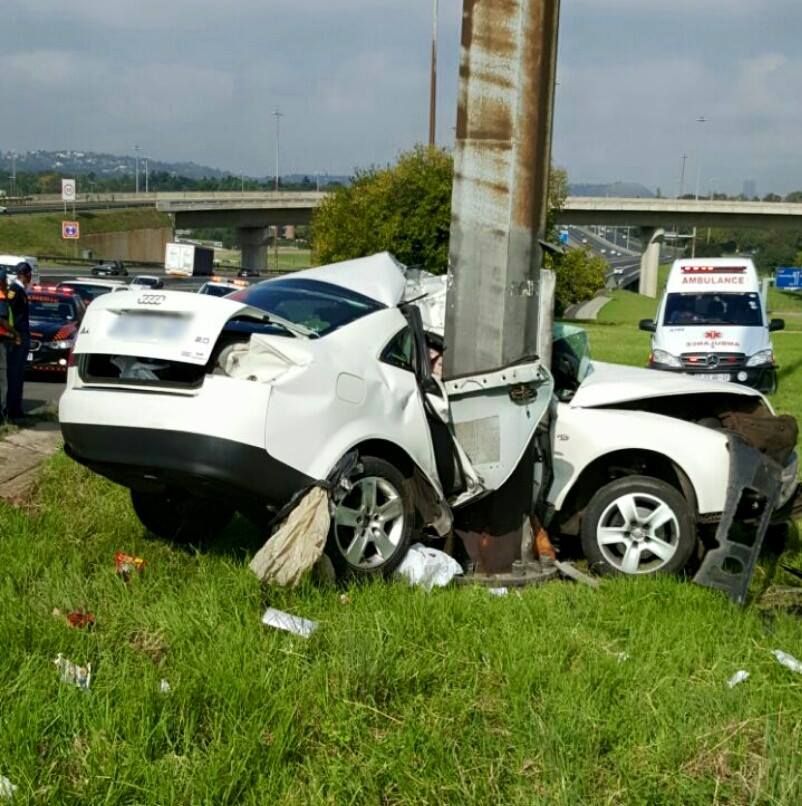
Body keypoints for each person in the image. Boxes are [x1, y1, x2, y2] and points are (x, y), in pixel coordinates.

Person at [5, 262, 31, 423]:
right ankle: (12, 408)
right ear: (25, 274)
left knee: (19, 373)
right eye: (29, 274)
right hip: (18, 337)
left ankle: (16, 407)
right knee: (14, 374)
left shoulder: (20, 290)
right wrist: (15, 335)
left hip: (22, 335)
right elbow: (11, 316)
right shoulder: (15, 291)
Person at [0, 268, 20, 423]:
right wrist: (15, 334)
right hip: (2, 341)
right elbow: (3, 322)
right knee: (2, 379)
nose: (7, 283)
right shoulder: (1, 298)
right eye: (4, 280)